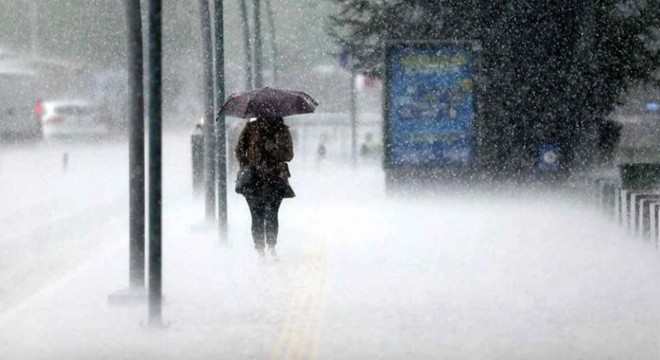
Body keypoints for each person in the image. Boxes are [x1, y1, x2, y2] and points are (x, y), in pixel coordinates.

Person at [235, 116, 295, 261]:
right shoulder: (250, 129)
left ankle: (271, 246)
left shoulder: (283, 131)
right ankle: (260, 249)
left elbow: (289, 155)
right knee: (257, 215)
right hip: (253, 180)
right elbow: (239, 150)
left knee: (272, 214)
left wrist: (273, 148)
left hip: (275, 178)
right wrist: (247, 165)